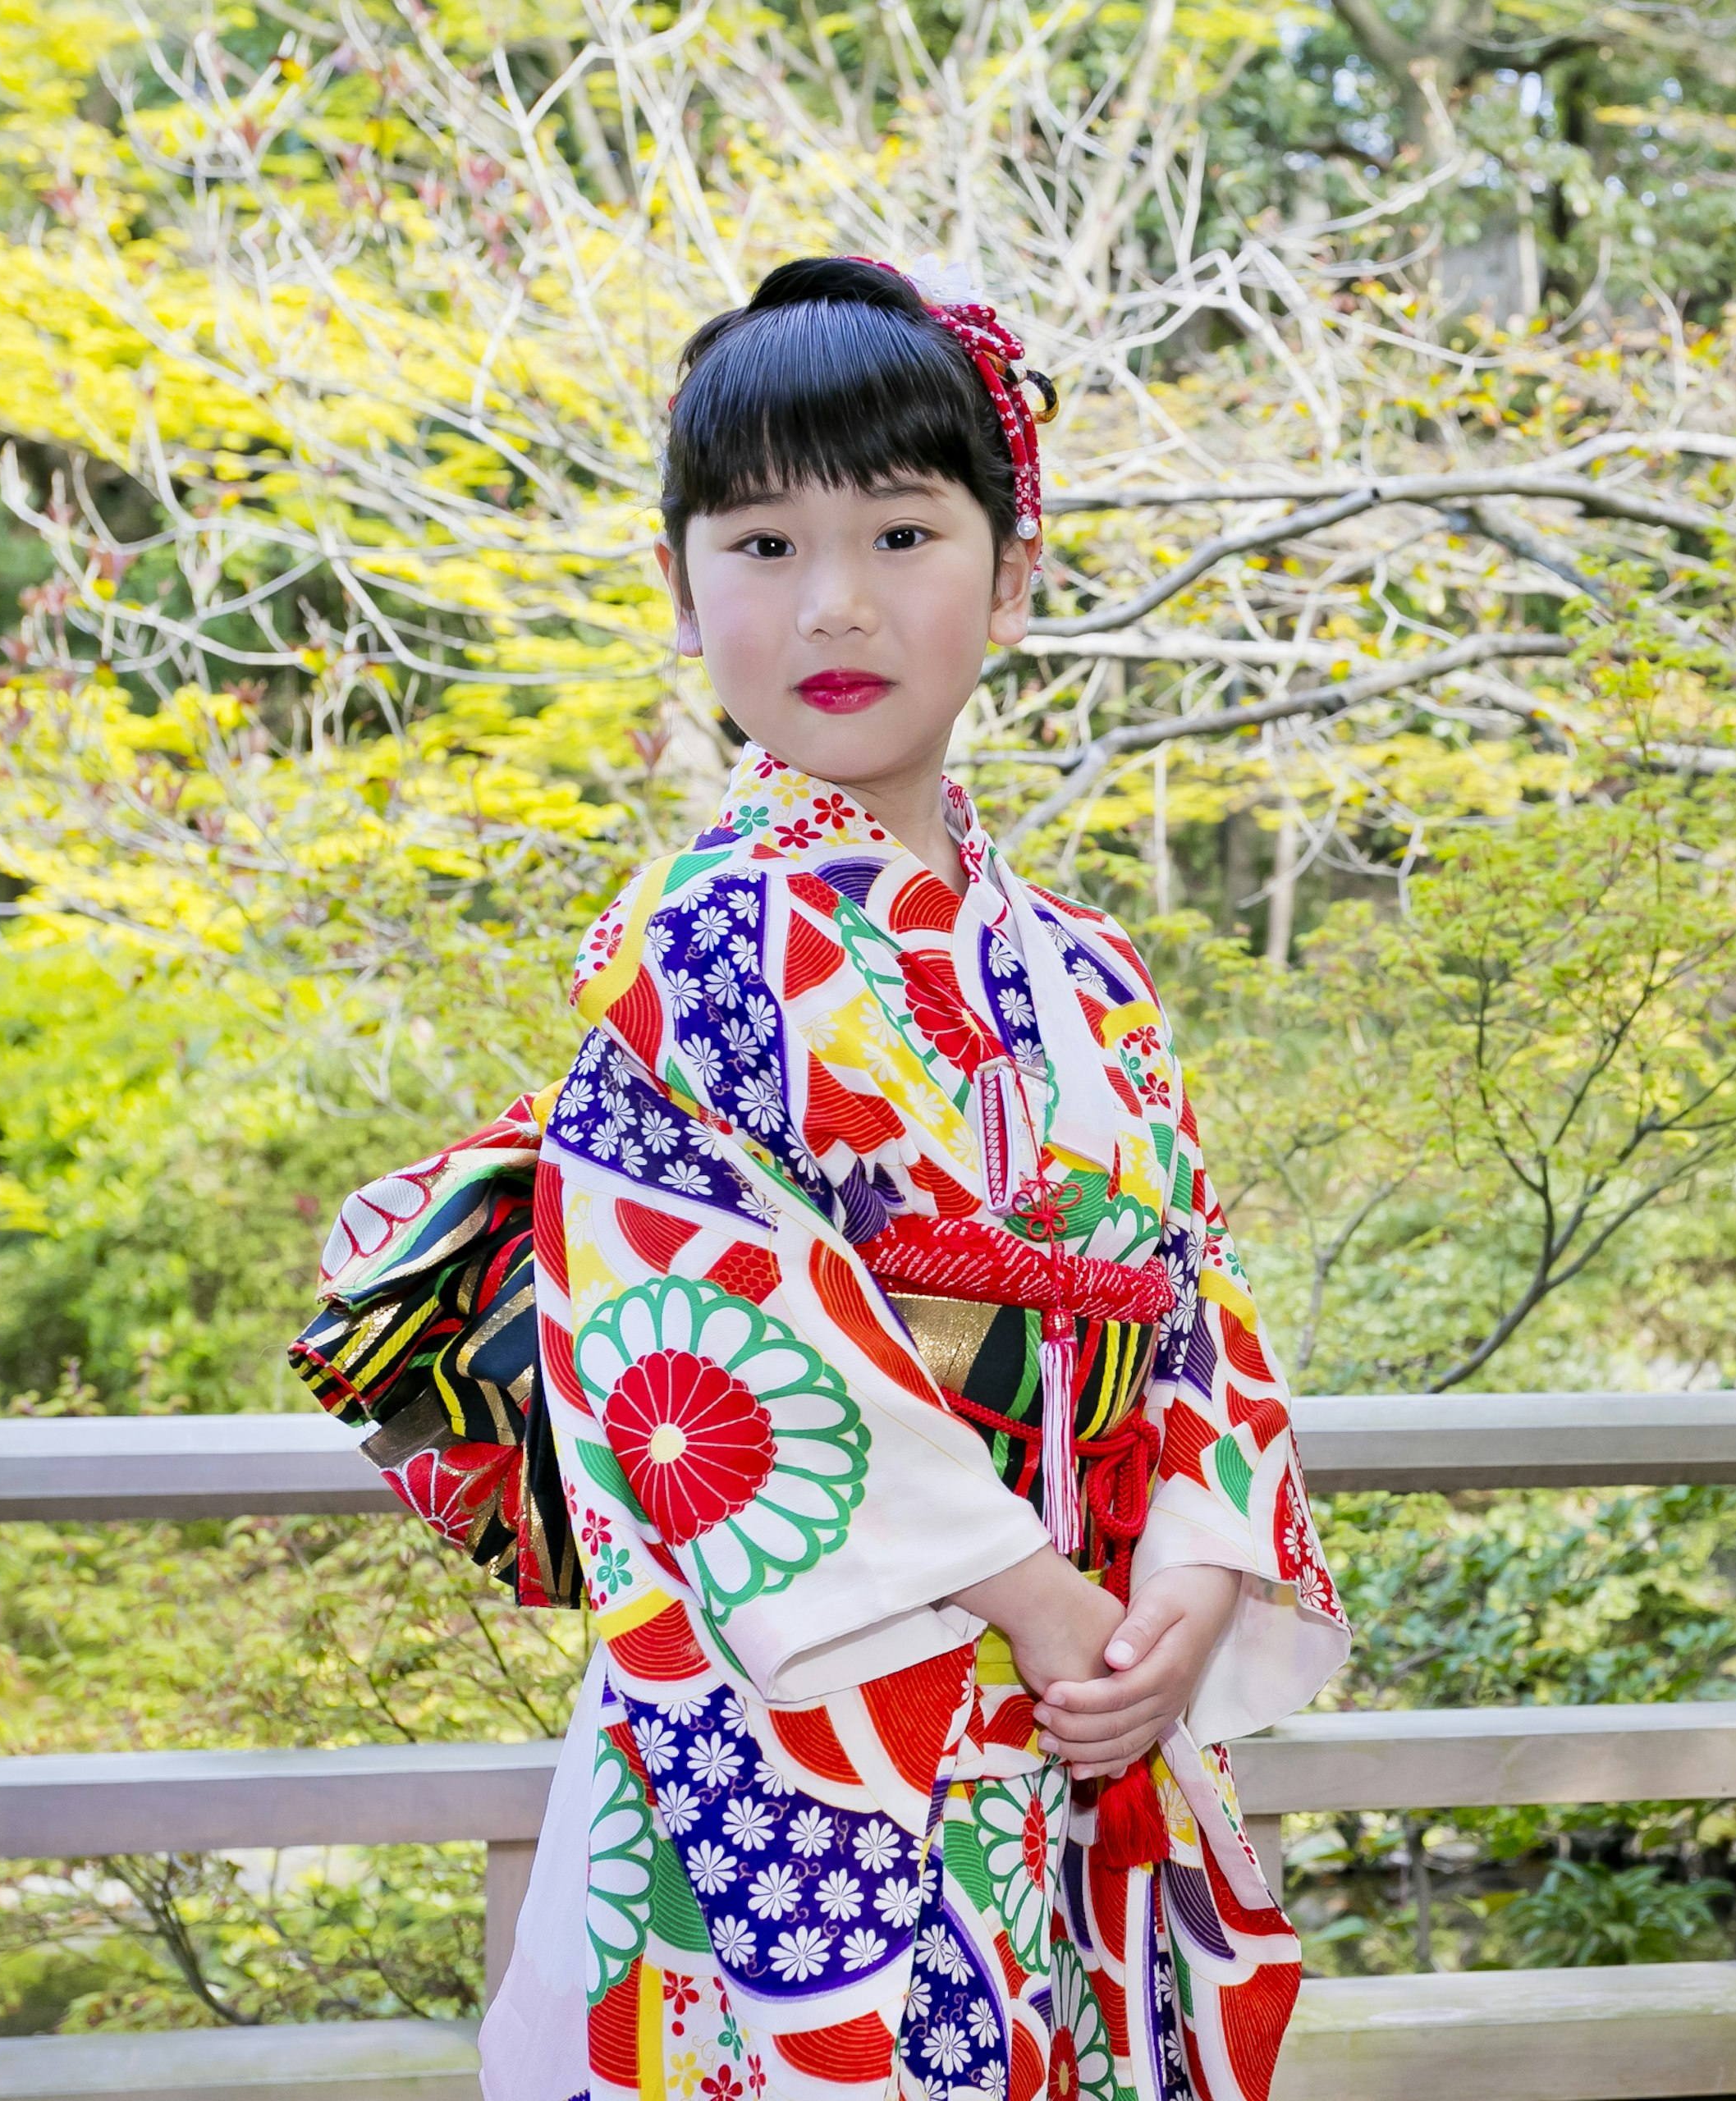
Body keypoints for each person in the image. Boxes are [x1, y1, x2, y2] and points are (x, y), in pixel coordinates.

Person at [289, 254, 1349, 2101]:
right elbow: (700, 1339)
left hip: (1091, 1681)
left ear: (1013, 574)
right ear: (680, 587)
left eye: (903, 532)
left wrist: (1189, 1566)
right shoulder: (692, 945)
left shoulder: (1091, 966)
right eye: (763, 544)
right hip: (794, 1717)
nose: (834, 601)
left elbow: (1194, 1312)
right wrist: (1034, 1590)